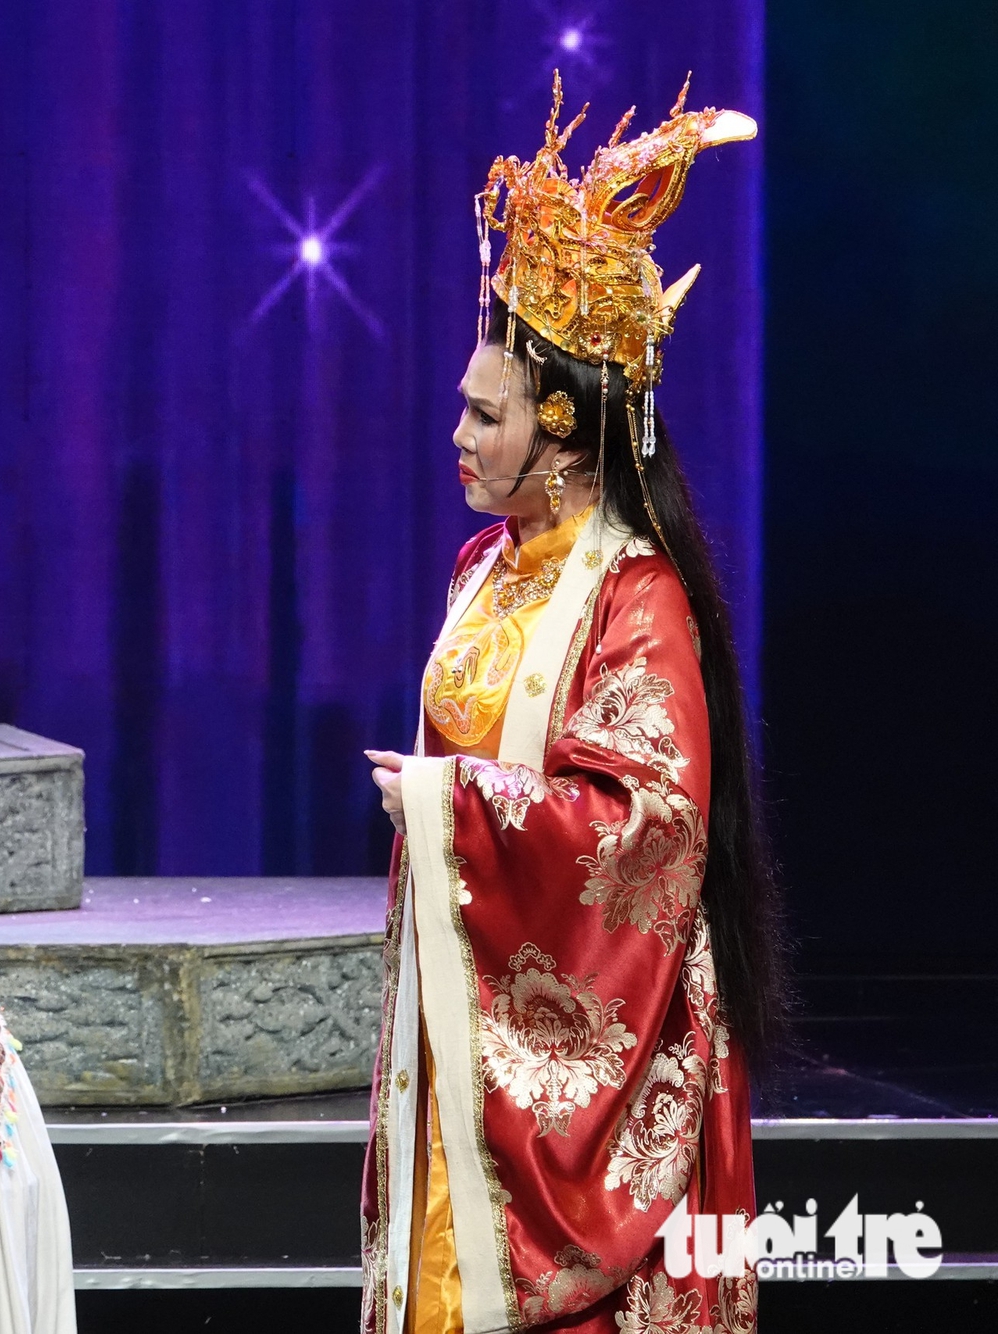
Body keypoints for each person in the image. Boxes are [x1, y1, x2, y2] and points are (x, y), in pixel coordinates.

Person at [359, 76, 780, 1334]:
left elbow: (650, 828)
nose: (454, 433)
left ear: (562, 432)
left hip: (592, 1039)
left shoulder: (636, 598)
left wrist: (450, 801)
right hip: (466, 1013)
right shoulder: (479, 567)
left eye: (481, 414)